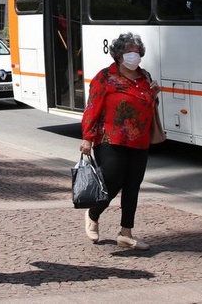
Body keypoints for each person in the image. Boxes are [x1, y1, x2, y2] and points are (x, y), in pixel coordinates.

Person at [79, 32, 159, 251]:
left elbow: (148, 105)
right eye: (128, 51)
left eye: (137, 51)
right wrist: (87, 137)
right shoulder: (105, 77)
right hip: (109, 138)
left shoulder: (145, 77)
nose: (134, 55)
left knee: (133, 185)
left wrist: (154, 95)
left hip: (139, 140)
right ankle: (93, 214)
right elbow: (92, 108)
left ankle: (126, 233)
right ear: (118, 55)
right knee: (112, 180)